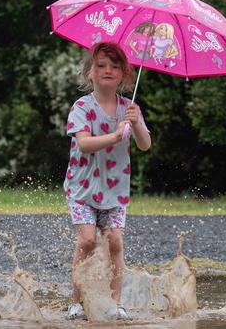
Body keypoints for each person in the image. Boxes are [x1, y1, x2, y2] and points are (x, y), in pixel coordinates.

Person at [64, 42, 151, 321]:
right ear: (90, 72)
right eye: (101, 65)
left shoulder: (129, 109)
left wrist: (135, 123)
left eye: (115, 66)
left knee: (115, 242)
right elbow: (85, 143)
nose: (107, 70)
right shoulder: (81, 107)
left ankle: (116, 303)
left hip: (114, 189)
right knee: (87, 240)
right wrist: (114, 136)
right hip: (82, 187)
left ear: (125, 74)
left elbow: (145, 144)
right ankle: (76, 302)